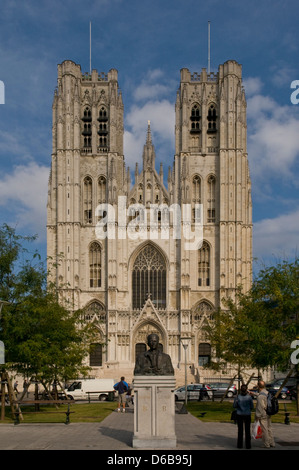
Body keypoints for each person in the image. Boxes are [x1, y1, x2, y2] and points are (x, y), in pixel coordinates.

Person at [255, 380, 275, 448]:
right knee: (269, 427)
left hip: (263, 414)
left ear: (258, 386)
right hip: (269, 413)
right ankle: (272, 442)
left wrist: (257, 416)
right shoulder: (267, 392)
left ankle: (266, 443)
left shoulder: (260, 396)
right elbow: (261, 395)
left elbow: (260, 407)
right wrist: (253, 393)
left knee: (264, 429)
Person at [233, 384, 254, 449]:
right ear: (246, 389)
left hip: (240, 414)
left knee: (240, 430)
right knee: (247, 430)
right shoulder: (249, 397)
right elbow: (252, 406)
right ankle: (248, 445)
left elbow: (234, 405)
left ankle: (239, 445)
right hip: (247, 414)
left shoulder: (238, 397)